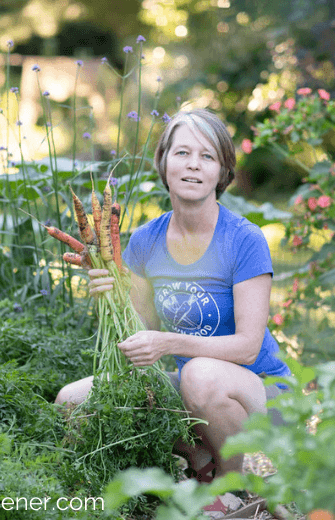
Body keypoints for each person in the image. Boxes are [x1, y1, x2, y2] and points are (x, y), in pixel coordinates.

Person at [55, 108, 291, 510]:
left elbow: (248, 348)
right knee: (70, 399)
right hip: (193, 389)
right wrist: (110, 299)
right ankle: (196, 467)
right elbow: (139, 340)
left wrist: (167, 342)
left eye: (207, 156)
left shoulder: (244, 240)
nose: (193, 165)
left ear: (222, 172)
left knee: (198, 376)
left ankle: (244, 486)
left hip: (262, 396)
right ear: (164, 163)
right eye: (182, 153)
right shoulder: (147, 241)